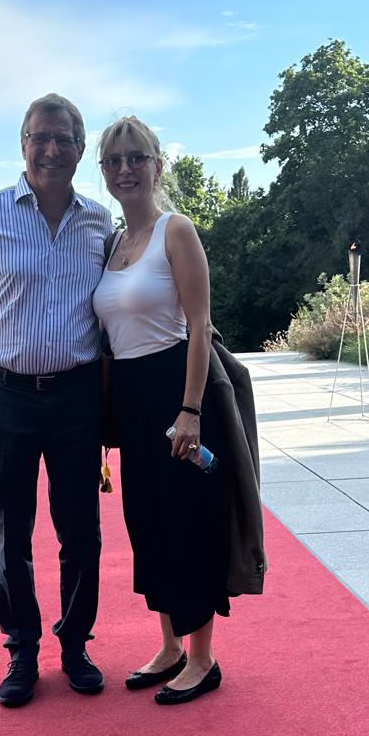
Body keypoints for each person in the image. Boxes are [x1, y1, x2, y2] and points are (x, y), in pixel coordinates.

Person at [0, 94, 113, 708]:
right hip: (3, 397)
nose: (51, 149)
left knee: (81, 532)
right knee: (10, 534)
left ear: (80, 150)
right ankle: (22, 650)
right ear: (23, 144)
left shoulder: (99, 224)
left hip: (77, 398)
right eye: (41, 137)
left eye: (64, 139)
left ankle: (76, 644)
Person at [92, 116, 265, 705]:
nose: (125, 169)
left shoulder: (176, 230)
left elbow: (199, 326)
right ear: (104, 172)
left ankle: (202, 658)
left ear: (157, 165)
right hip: (132, 399)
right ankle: (167, 646)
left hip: (177, 391)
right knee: (147, 521)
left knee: (188, 519)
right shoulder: (114, 244)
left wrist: (190, 410)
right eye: (114, 160)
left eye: (136, 158)